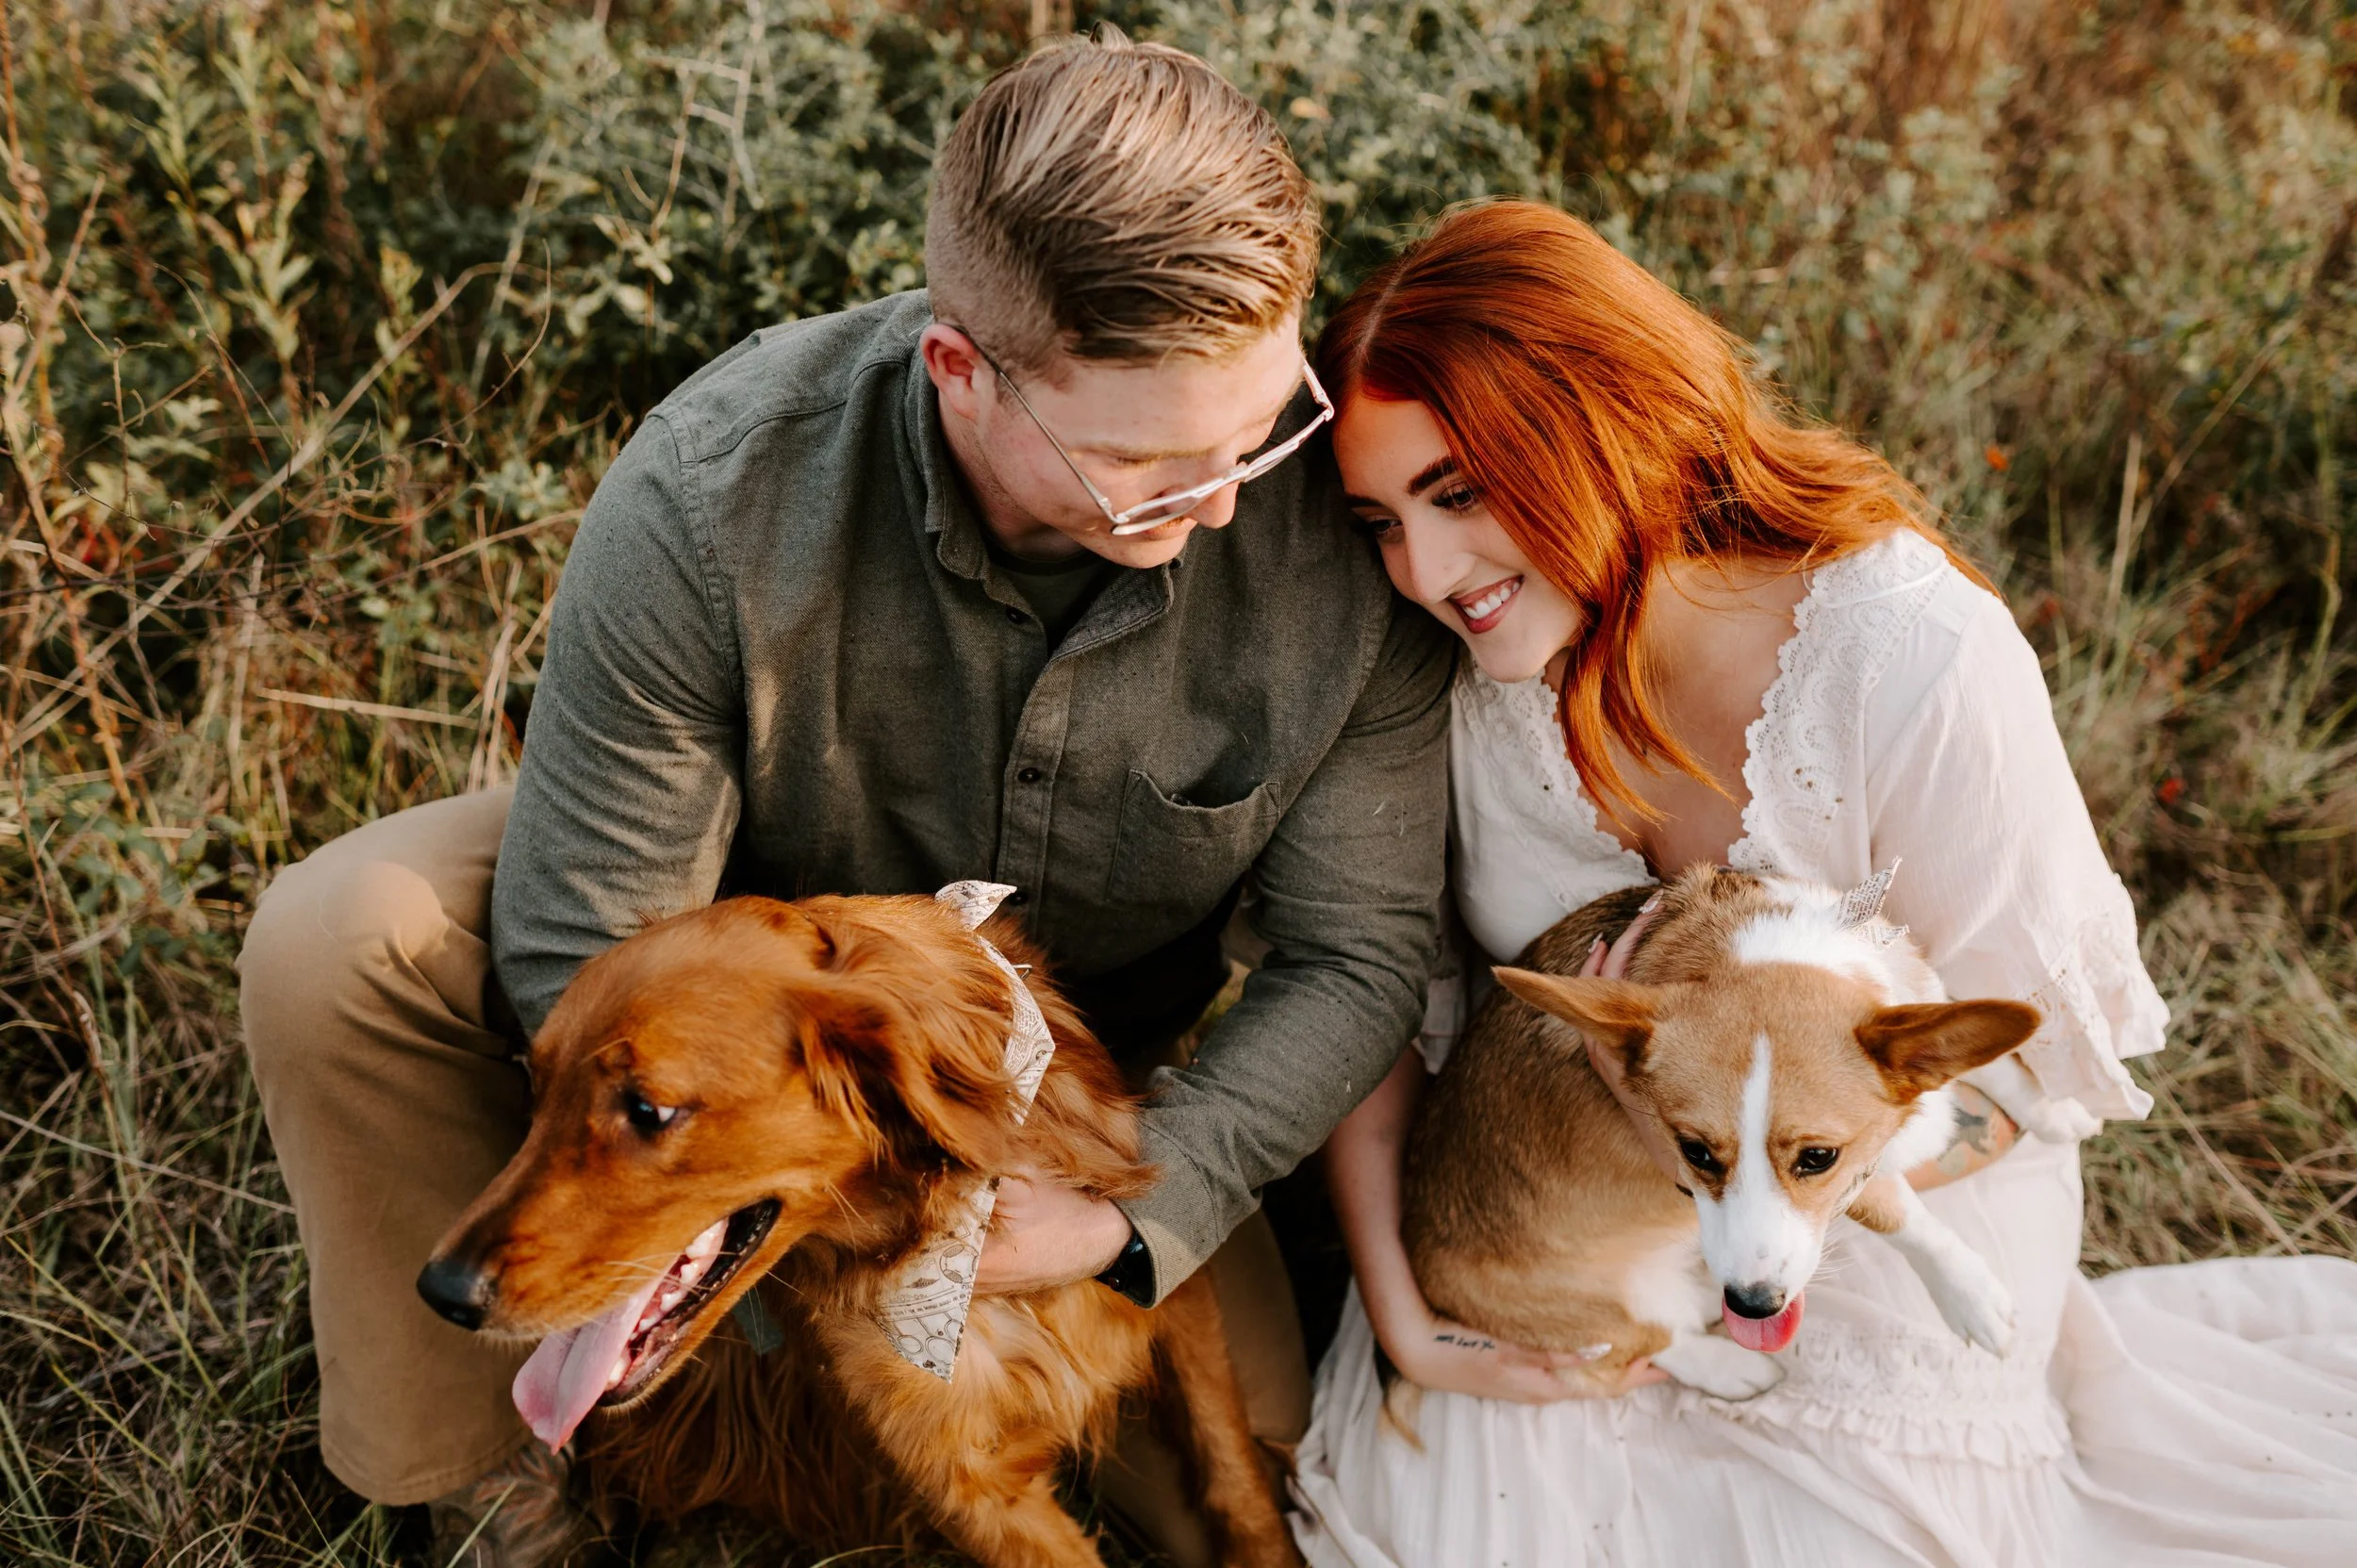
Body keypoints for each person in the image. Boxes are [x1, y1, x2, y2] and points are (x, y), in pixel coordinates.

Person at [237, 31, 1456, 1567]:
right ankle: (498, 1485)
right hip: (736, 1006)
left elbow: (1354, 958)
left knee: (1261, 1507)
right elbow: (586, 938)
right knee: (338, 937)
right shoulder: (714, 491)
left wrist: (1133, 1215)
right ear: (962, 370)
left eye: (1258, 427)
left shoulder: (1338, 513)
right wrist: (804, 1208)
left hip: (1091, 1109)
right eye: (1146, 469)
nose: (1223, 505)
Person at [1290, 199, 2357, 1567]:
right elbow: (1376, 991)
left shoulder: (1910, 657)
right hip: (1553, 1238)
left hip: (1885, 1256)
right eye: (1379, 519)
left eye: (1460, 492)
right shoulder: (1445, 676)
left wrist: (1758, 1155)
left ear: (1604, 423)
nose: (1426, 573)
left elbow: (2035, 1075)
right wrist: (1398, 1305)